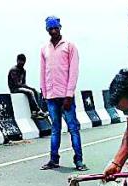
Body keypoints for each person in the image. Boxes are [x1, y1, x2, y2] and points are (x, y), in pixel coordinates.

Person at [40, 16, 88, 171]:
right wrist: (44, 93)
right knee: (55, 129)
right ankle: (54, 159)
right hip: (51, 96)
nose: (53, 31)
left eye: (56, 28)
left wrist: (69, 94)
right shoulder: (44, 49)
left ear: (60, 28)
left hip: (66, 96)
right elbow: (43, 72)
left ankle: (79, 160)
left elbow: (73, 72)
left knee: (73, 128)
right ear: (47, 30)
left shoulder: (69, 46)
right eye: (50, 29)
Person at [8, 54, 47, 119]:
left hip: (20, 87)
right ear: (17, 61)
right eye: (20, 61)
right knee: (30, 92)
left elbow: (23, 83)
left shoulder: (23, 71)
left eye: (23, 61)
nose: (22, 63)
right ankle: (38, 111)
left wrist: (28, 87)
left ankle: (34, 112)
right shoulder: (14, 70)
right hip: (14, 89)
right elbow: (17, 84)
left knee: (34, 91)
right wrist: (27, 87)